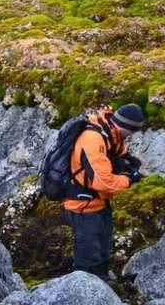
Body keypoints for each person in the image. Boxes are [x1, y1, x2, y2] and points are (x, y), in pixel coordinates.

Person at [62, 103, 145, 281]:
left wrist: (128, 165)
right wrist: (129, 180)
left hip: (99, 202)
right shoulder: (93, 138)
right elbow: (103, 182)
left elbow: (118, 158)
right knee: (88, 256)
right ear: (128, 128)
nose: (132, 136)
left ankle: (103, 282)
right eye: (133, 132)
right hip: (82, 206)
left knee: (102, 249)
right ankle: (85, 290)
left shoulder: (111, 134)